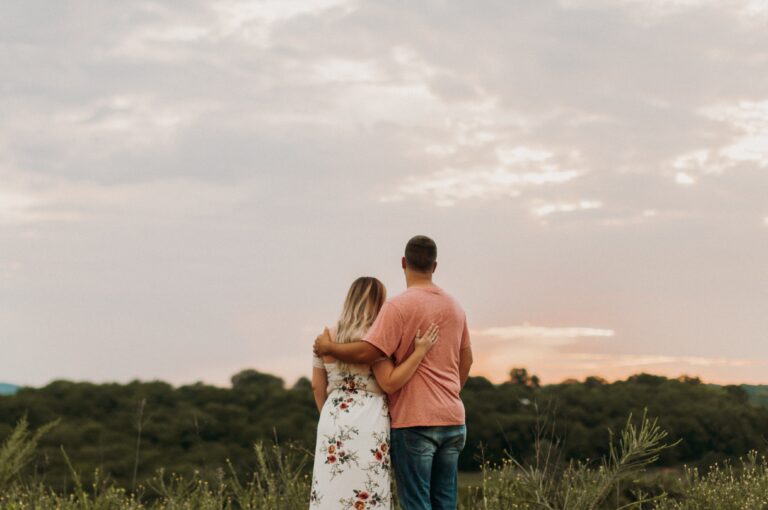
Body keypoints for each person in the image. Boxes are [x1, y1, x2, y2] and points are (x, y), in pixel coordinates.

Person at [315, 235, 473, 510]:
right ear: (435, 266)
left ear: (403, 263)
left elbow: (368, 352)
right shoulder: (455, 307)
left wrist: (330, 347)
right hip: (452, 419)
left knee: (416, 503)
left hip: (415, 421)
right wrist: (448, 393)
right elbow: (467, 360)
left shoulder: (398, 307)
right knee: (445, 502)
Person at [310, 276, 439, 510]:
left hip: (332, 417)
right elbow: (392, 381)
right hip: (369, 418)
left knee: (330, 489)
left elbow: (317, 386)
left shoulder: (326, 335)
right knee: (368, 489)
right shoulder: (377, 339)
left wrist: (327, 416)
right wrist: (419, 353)